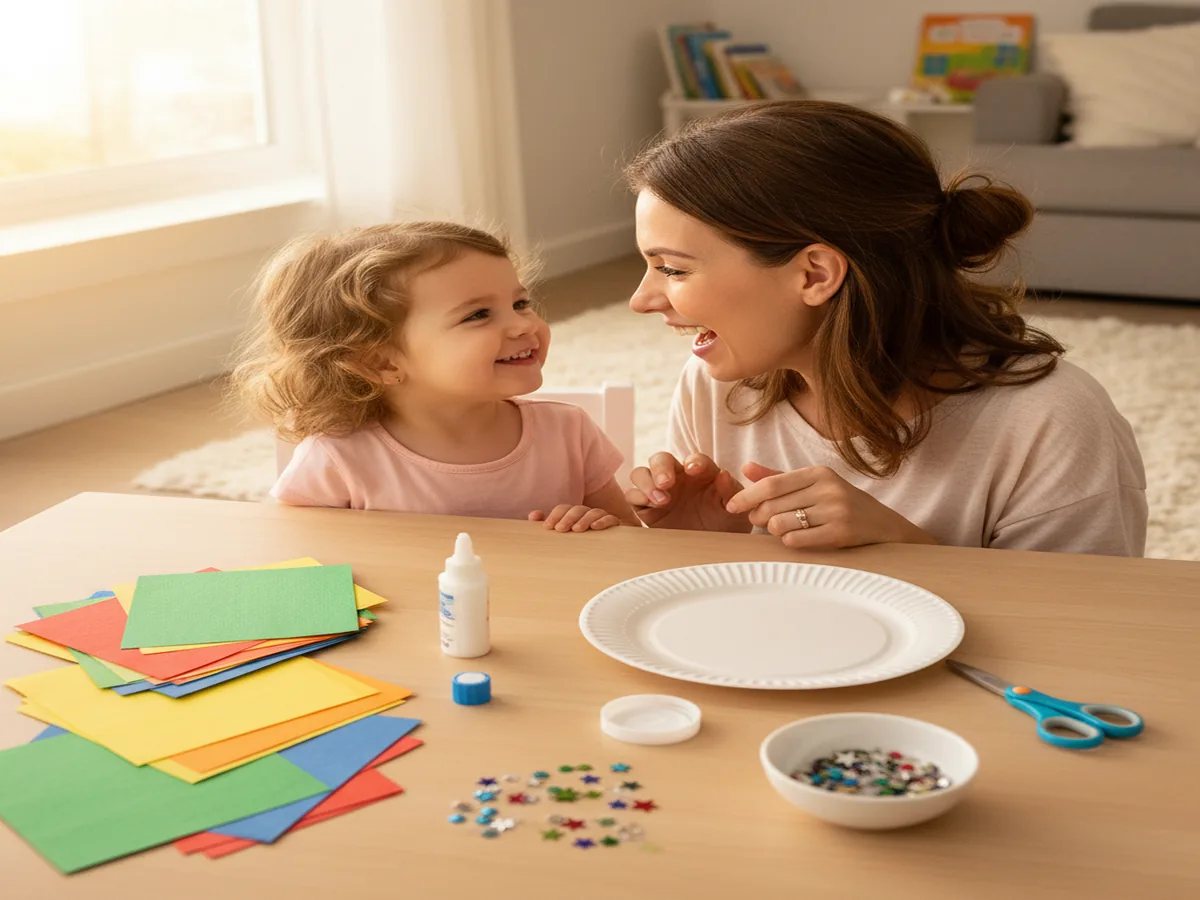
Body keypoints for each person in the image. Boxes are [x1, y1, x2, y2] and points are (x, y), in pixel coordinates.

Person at [623, 101, 1146, 556]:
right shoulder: (716, 386)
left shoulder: (1051, 421)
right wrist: (707, 540)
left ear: (815, 274)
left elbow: (1083, 635)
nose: (641, 300)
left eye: (673, 268)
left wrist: (905, 549)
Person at [231, 221, 636, 531]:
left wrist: (598, 525)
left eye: (520, 302)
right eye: (478, 314)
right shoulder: (339, 459)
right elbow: (291, 561)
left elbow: (636, 548)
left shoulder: (569, 432)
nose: (522, 326)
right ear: (381, 364)